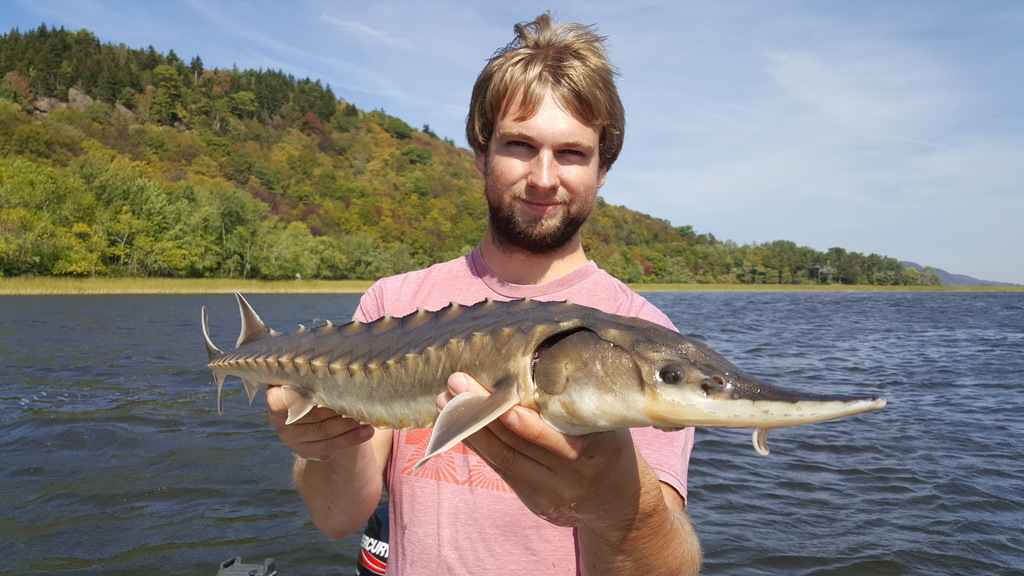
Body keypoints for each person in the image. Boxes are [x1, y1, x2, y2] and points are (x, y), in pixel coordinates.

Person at [266, 13, 702, 575]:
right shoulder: (393, 303)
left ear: (602, 168)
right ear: (480, 152)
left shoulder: (648, 343)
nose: (544, 177)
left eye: (572, 153)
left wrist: (622, 509)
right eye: (520, 145)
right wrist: (322, 439)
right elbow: (336, 517)